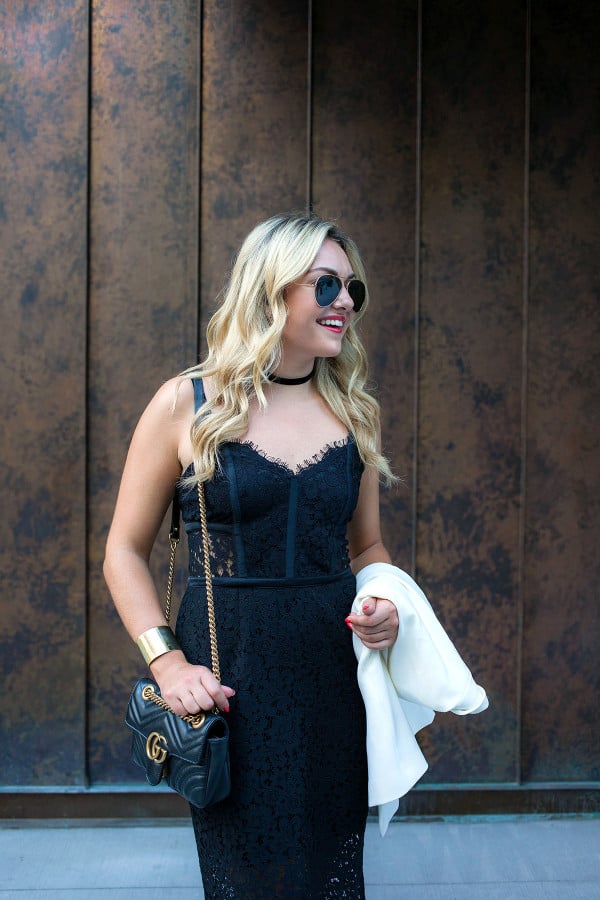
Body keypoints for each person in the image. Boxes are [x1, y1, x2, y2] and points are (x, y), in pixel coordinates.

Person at [104, 212, 401, 899]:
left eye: (353, 288)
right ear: (271, 290)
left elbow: (369, 547)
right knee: (246, 875)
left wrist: (384, 601)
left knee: (332, 869)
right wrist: (168, 661)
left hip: (333, 675)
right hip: (229, 675)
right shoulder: (187, 403)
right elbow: (122, 550)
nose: (347, 302)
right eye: (327, 286)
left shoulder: (355, 410)